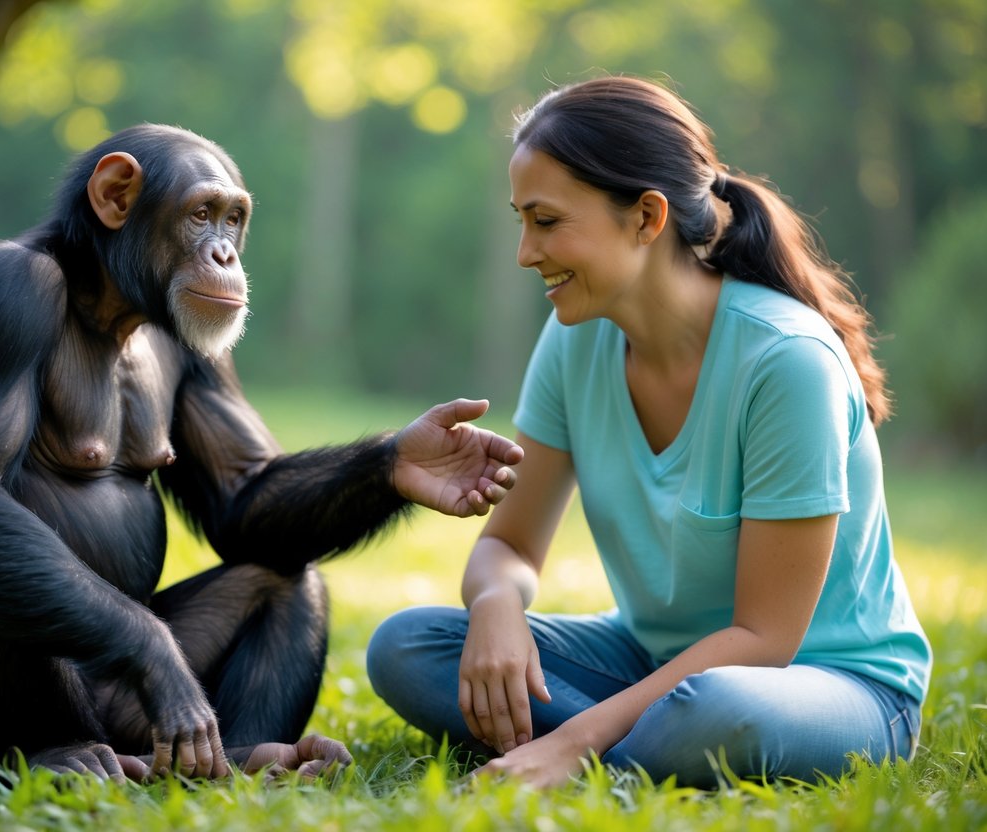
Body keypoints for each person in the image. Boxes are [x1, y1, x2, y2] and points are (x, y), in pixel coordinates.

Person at [365, 75, 930, 789]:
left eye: (546, 221)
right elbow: (509, 545)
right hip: (653, 662)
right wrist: (497, 605)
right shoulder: (574, 337)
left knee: (717, 709)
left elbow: (765, 639)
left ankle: (581, 750)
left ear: (645, 216)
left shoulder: (786, 361)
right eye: (521, 222)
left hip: (820, 682)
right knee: (411, 645)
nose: (525, 252)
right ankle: (637, 745)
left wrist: (575, 737)